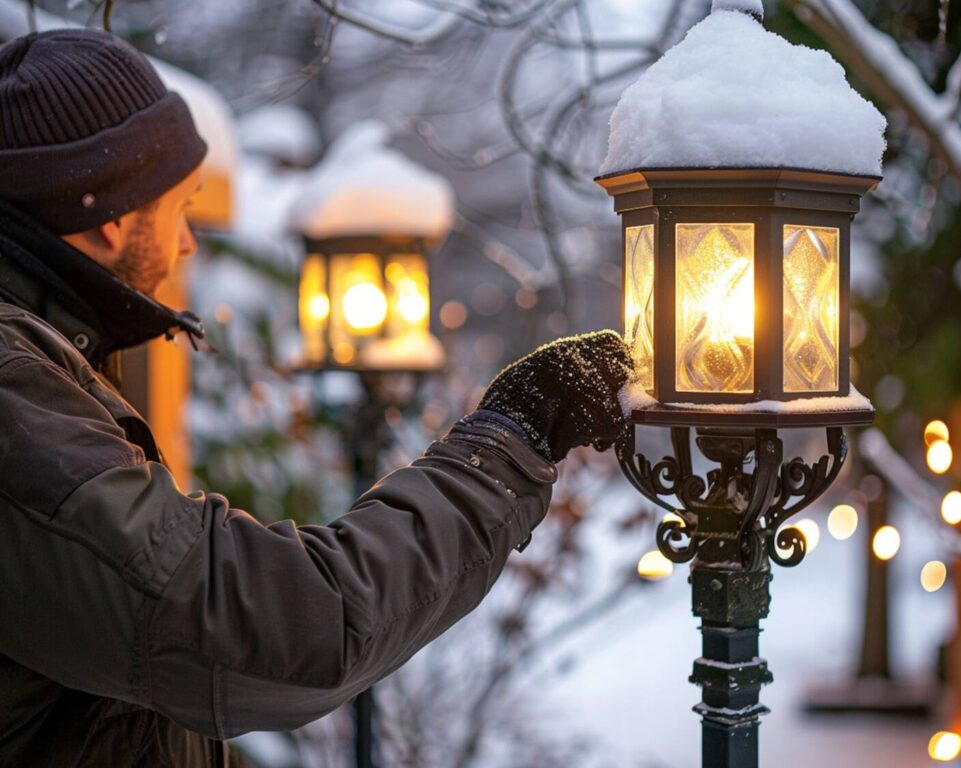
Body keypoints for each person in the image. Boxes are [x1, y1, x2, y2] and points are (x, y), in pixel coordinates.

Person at [0, 29, 634, 767]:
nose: (186, 247)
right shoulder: (14, 395)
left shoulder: (54, 357)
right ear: (110, 217)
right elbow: (273, 628)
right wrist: (505, 443)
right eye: (179, 210)